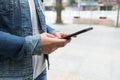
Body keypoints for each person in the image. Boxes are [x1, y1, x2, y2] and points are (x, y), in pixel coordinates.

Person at [0, 0, 71, 80]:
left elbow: (33, 22)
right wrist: (33, 45)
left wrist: (53, 32)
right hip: (11, 76)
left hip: (41, 71)